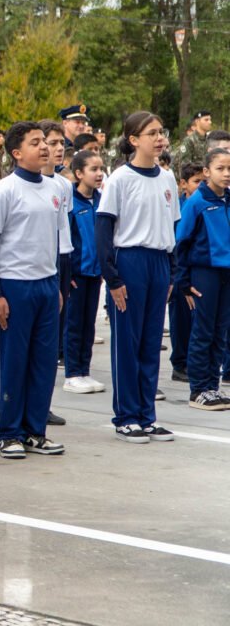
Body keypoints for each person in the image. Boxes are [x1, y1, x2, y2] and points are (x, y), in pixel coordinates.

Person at [0, 122, 67, 459]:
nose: (44, 147)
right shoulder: (4, 191)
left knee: (44, 363)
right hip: (14, 286)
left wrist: (57, 286)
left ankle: (34, 431)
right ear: (16, 153)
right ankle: (9, 433)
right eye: (35, 143)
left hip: (46, 285)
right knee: (14, 361)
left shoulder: (55, 188)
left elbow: (56, 242)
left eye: (45, 141)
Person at [96, 112, 178, 444]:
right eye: (152, 133)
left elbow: (172, 227)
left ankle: (147, 415)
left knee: (150, 342)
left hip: (159, 262)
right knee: (127, 342)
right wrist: (113, 278)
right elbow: (104, 230)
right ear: (133, 140)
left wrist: (171, 271)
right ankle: (126, 416)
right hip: (130, 260)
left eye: (161, 132)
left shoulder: (168, 179)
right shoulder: (120, 178)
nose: (160, 139)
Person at [175, 148, 230, 411]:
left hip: (226, 273)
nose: (226, 173)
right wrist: (184, 281)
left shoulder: (227, 199)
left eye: (229, 169)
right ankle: (198, 389)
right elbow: (182, 242)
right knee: (203, 330)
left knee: (220, 330)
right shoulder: (197, 202)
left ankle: (212, 385)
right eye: (221, 168)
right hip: (204, 273)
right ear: (207, 172)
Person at [39, 119, 75, 426]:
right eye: (52, 143)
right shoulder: (25, 183)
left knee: (53, 337)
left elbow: (67, 227)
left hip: (61, 259)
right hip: (37, 262)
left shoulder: (64, 185)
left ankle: (44, 403)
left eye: (61, 143)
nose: (58, 148)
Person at [62, 150, 105, 394]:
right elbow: (63, 238)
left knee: (89, 324)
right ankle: (72, 374)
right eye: (93, 169)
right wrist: (66, 274)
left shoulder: (101, 201)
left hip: (94, 273)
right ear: (79, 173)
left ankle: (84, 371)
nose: (99, 174)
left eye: (101, 169)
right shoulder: (70, 202)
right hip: (76, 274)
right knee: (74, 324)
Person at [168, 162, 205, 382]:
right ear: (183, 184)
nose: (201, 185)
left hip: (198, 271)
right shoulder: (179, 208)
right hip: (180, 271)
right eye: (196, 181)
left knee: (197, 321)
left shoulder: (203, 204)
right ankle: (180, 364)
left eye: (203, 181)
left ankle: (194, 363)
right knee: (180, 320)